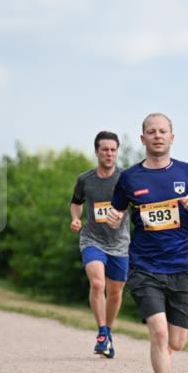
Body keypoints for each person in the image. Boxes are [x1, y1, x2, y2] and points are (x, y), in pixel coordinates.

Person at [107, 113, 188, 373]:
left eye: (162, 131)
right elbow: (116, 214)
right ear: (142, 138)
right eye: (151, 132)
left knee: (176, 342)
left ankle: (162, 362)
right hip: (144, 267)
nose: (157, 136)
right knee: (159, 332)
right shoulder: (130, 178)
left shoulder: (187, 172)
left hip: (182, 267)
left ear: (172, 137)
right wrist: (114, 220)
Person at [70, 131, 130, 359]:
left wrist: (124, 214)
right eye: (105, 149)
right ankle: (102, 333)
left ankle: (108, 332)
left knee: (115, 292)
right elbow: (76, 202)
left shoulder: (126, 178)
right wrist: (75, 218)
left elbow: (138, 204)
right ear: (97, 152)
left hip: (120, 243)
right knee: (97, 284)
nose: (109, 153)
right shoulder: (85, 179)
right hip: (92, 239)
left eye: (113, 150)